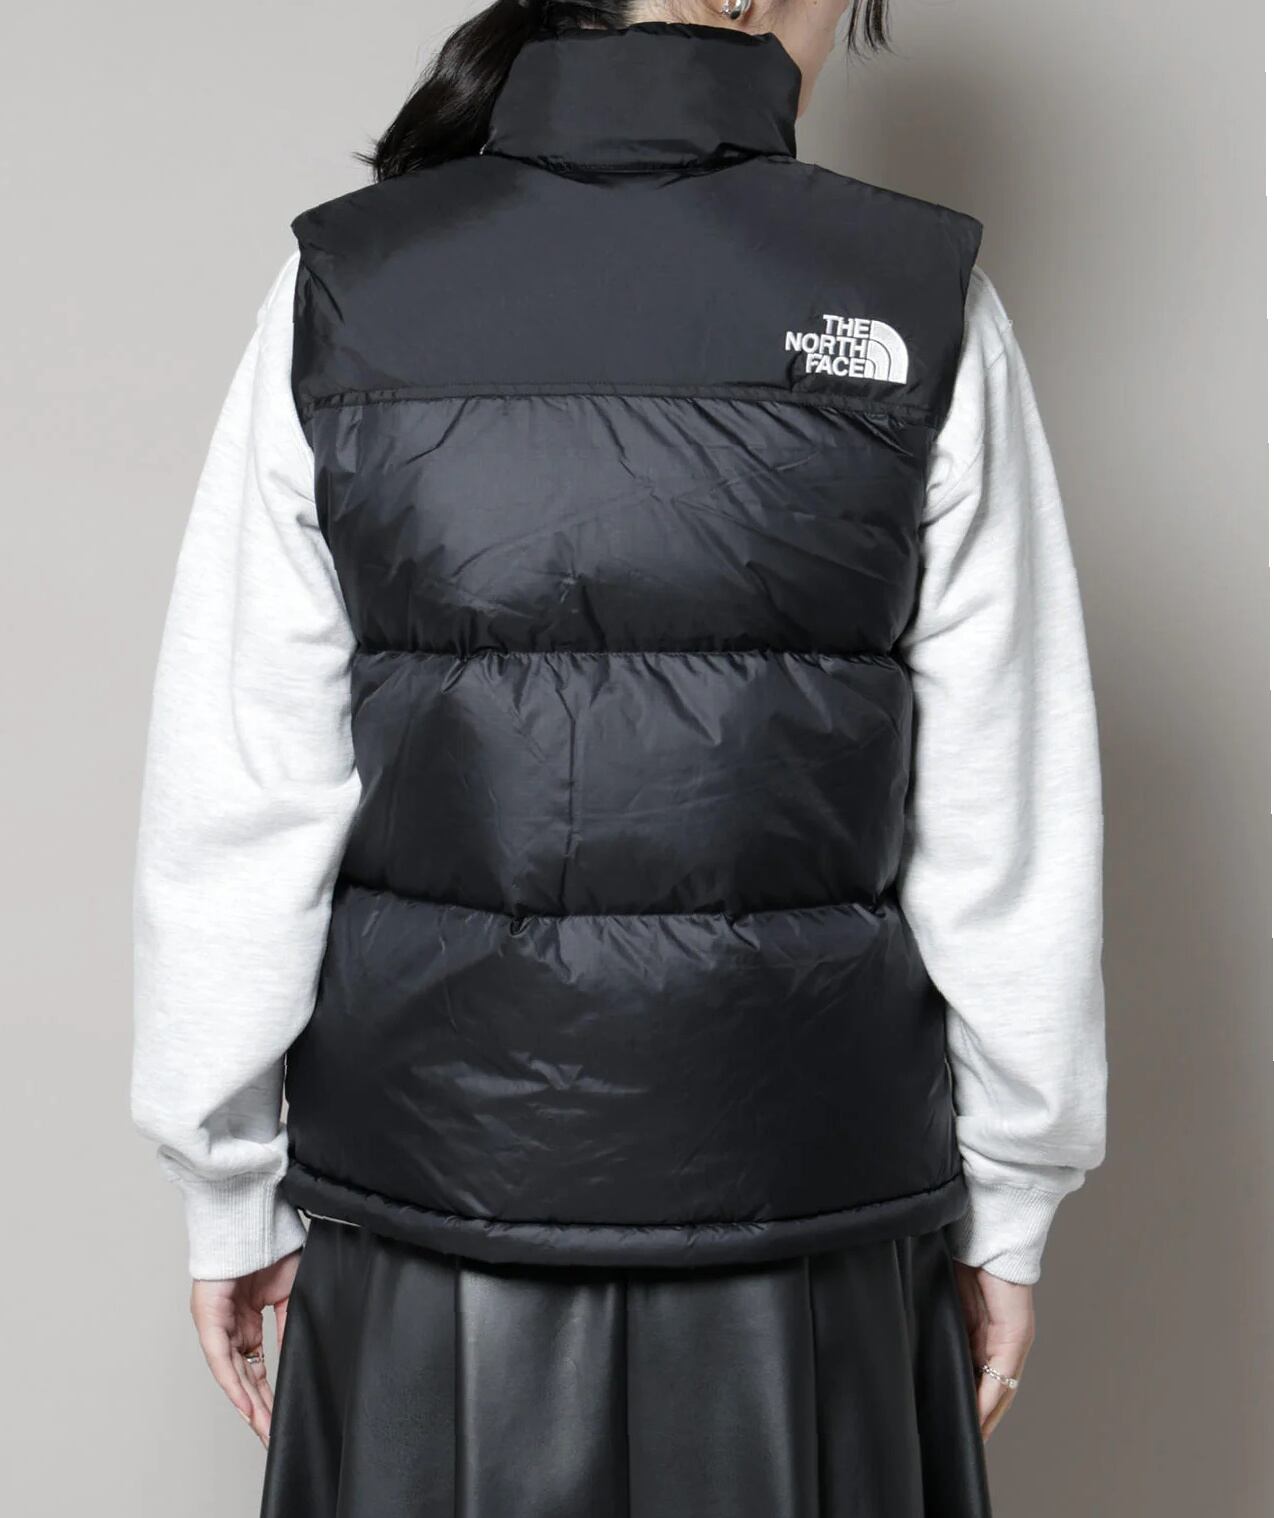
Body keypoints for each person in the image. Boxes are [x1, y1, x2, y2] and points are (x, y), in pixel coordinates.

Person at [131, 3, 1107, 1514]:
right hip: (810, 1220)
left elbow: (243, 787)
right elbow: (1004, 818)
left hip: (432, 1214)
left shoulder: (345, 282)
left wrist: (226, 1182)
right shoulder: (916, 296)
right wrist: (1015, 1195)